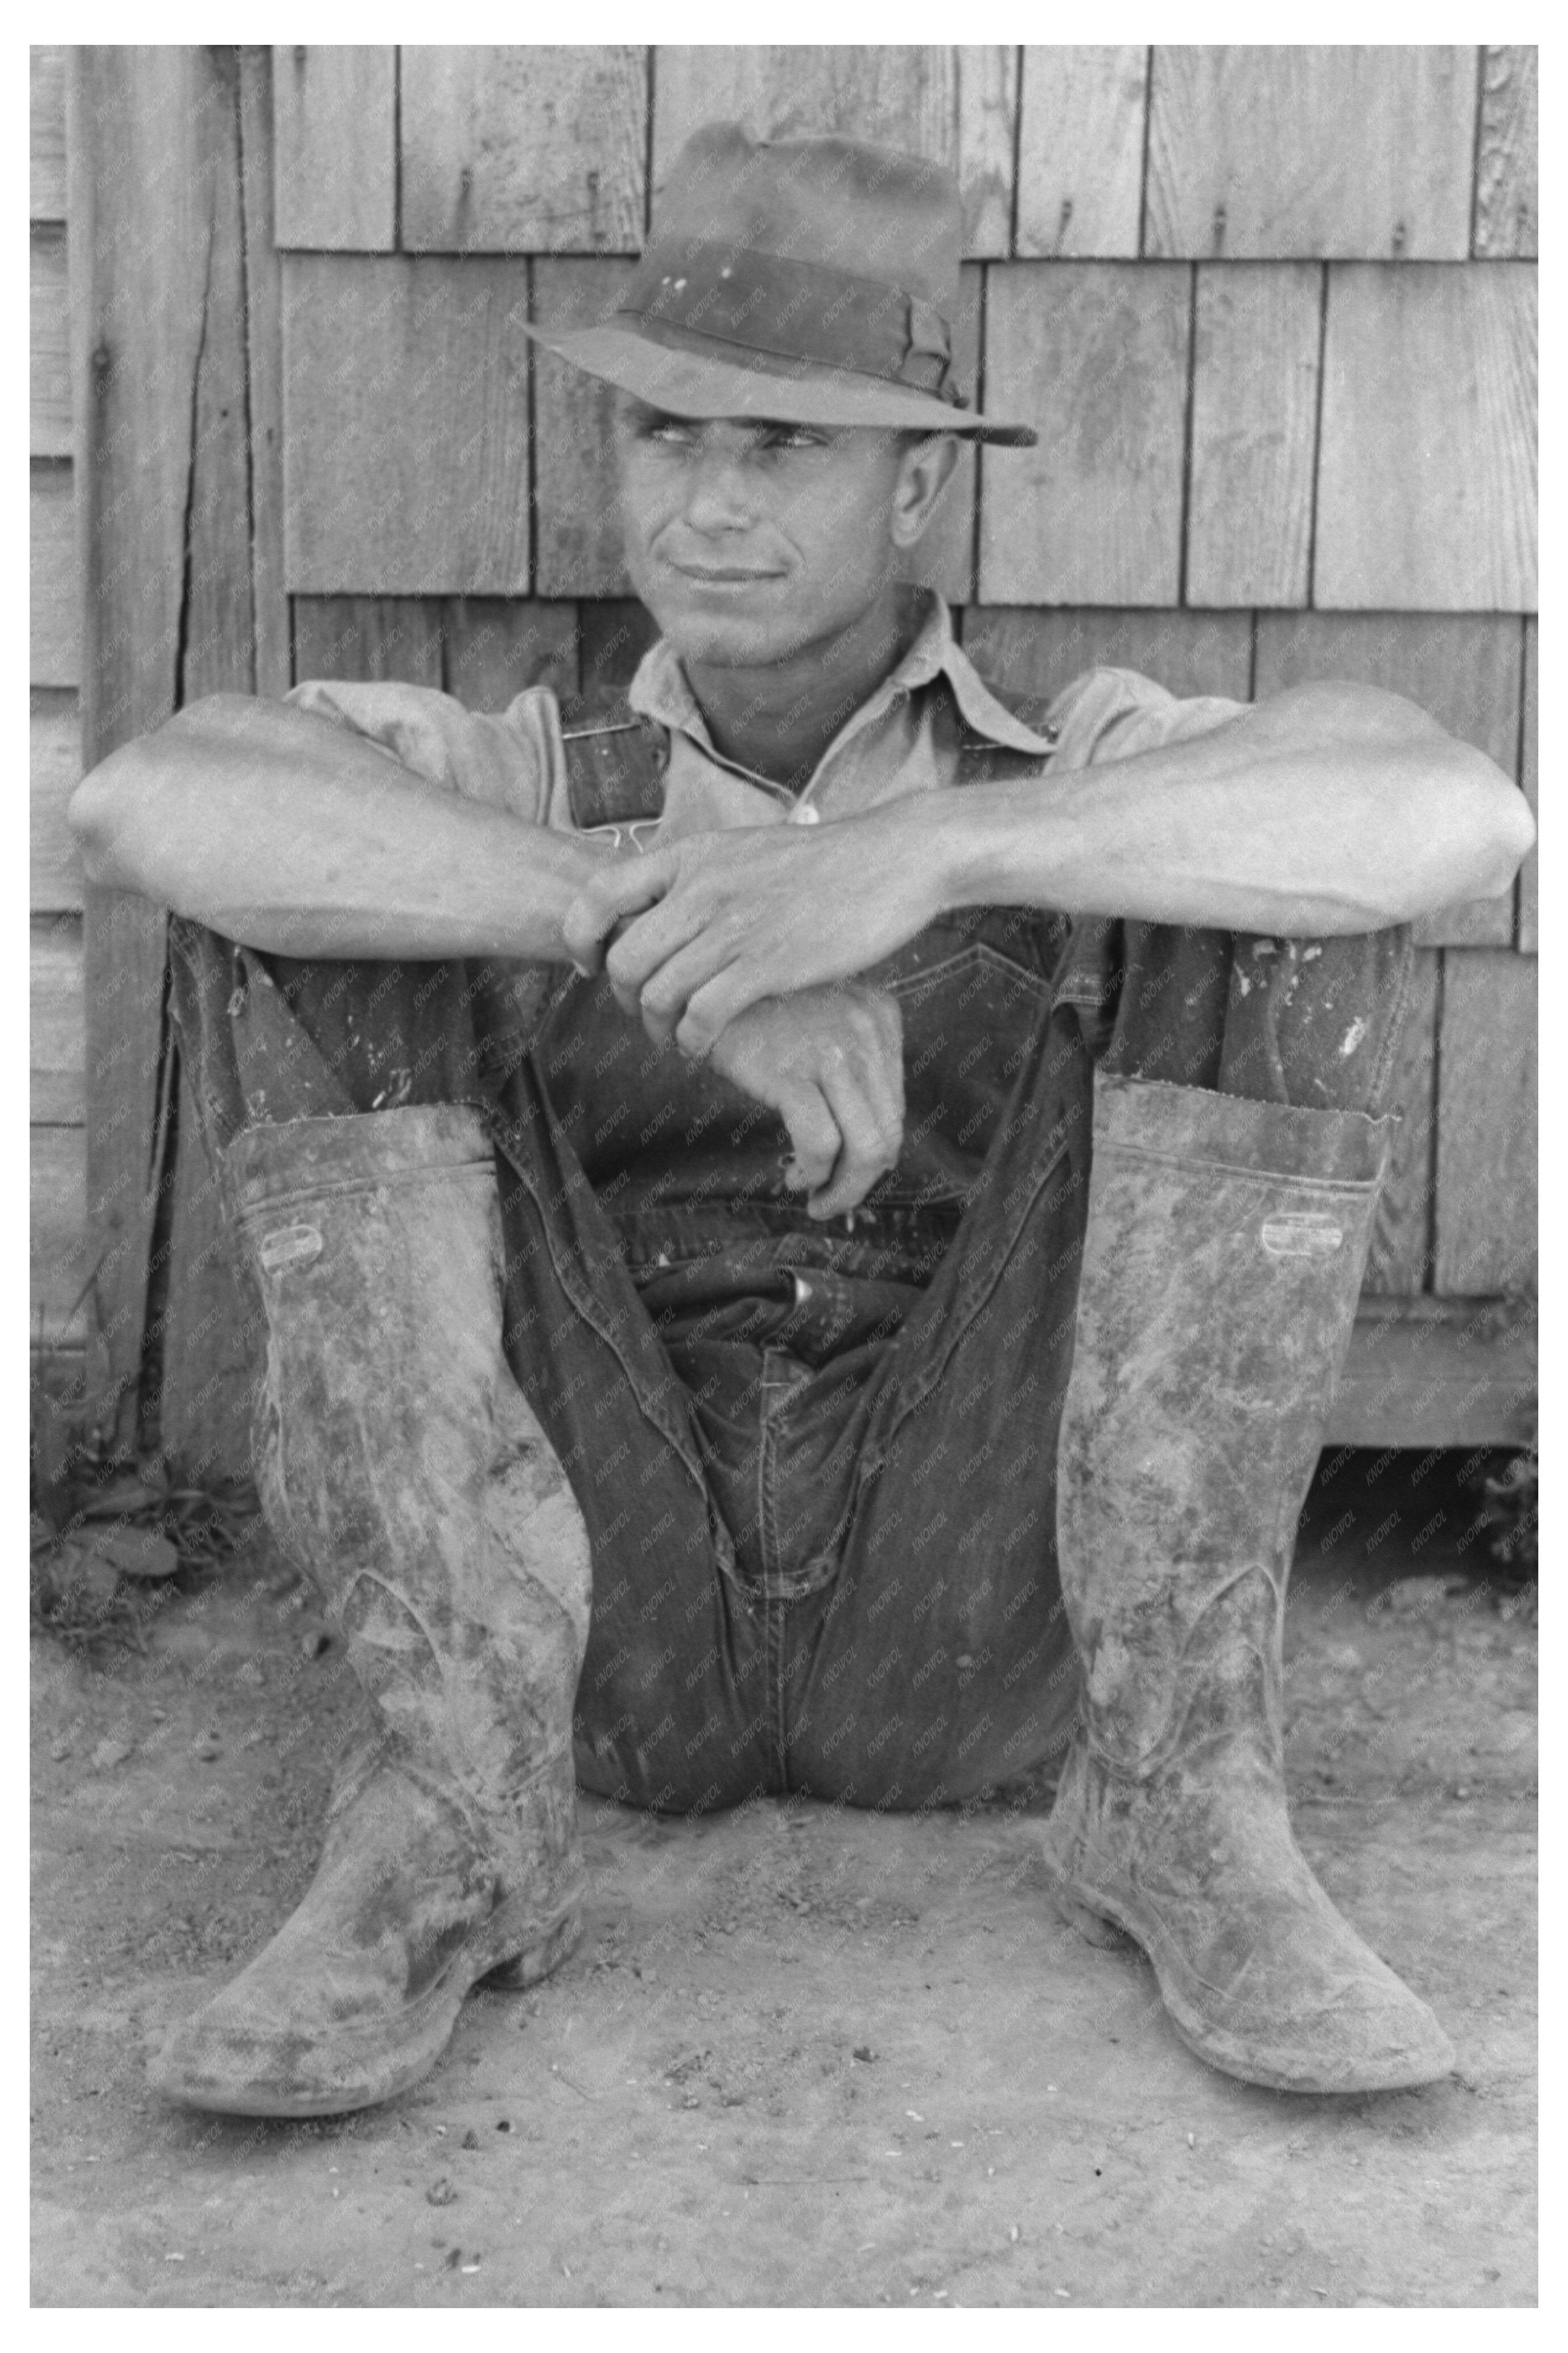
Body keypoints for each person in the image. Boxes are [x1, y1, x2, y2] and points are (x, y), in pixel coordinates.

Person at [70, 124, 1532, 2120]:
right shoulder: (522, 770)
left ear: (917, 484)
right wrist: (625, 920)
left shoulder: (1061, 765)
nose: (708, 504)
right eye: (668, 439)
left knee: (1270, 905)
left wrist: (925, 854)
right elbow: (148, 801)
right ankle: (440, 1827)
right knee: (319, 901)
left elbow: (1448, 810)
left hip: (969, 1607)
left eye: (783, 449)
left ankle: (1186, 1801)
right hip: (601, 1617)